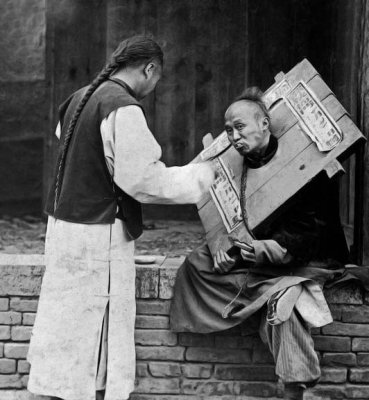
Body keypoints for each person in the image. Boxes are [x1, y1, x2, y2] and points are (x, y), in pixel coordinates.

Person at [27, 36, 216, 400]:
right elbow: (141, 180)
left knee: (67, 320)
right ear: (149, 69)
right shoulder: (122, 107)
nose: (153, 87)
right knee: (95, 319)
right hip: (97, 233)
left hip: (65, 226)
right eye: (156, 78)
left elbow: (81, 154)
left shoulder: (79, 98)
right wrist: (202, 176)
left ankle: (61, 392)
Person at [170, 87, 355, 400]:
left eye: (240, 128)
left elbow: (309, 236)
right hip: (262, 258)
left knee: (283, 305)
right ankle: (273, 289)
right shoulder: (240, 164)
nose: (233, 137)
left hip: (304, 256)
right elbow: (230, 222)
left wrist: (259, 248)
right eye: (228, 131)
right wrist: (224, 251)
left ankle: (296, 388)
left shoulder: (308, 166)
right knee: (195, 265)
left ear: (265, 124)